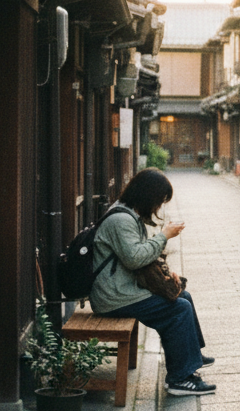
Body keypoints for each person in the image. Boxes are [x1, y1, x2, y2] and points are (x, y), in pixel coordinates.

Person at [91, 168, 216, 396]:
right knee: (179, 308)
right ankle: (179, 379)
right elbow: (134, 258)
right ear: (147, 196)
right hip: (114, 297)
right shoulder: (121, 219)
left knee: (183, 296)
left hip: (121, 289)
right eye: (159, 201)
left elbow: (139, 255)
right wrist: (164, 235)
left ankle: (191, 357)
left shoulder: (127, 213)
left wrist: (165, 274)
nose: (158, 207)